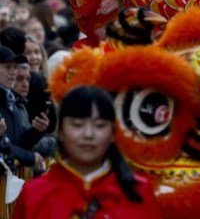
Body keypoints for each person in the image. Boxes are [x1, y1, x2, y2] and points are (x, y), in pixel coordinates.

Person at [13, 85, 162, 218]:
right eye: (77, 125)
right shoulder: (34, 195)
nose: (88, 134)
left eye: (99, 125)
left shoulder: (138, 192)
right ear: (61, 133)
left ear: (112, 133)